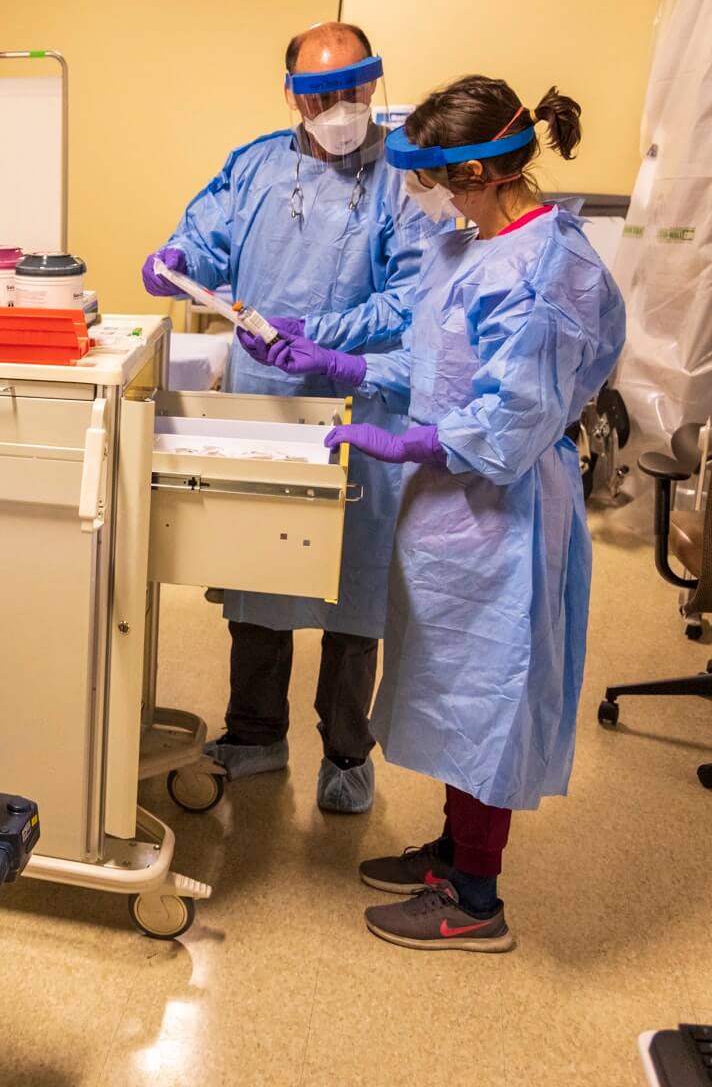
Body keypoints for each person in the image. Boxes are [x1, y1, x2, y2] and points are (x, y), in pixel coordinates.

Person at [243, 75, 625, 951]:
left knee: (490, 690)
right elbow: (425, 362)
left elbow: (510, 418)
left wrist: (407, 446)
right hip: (452, 506)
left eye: (437, 177)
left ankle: (476, 900)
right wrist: (338, 364)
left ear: (484, 170)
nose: (425, 195)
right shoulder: (468, 246)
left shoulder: (550, 266)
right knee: (450, 682)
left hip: (508, 505)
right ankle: (453, 853)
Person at [140, 22, 430, 813]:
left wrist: (329, 343)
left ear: (374, 83)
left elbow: (414, 293)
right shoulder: (256, 164)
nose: (339, 108)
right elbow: (207, 236)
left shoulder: (401, 178)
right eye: (320, 94)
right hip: (264, 404)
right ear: (292, 94)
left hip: (359, 401)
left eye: (352, 91)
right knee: (259, 566)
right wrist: (177, 263)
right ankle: (255, 732)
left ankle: (345, 752)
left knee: (351, 588)